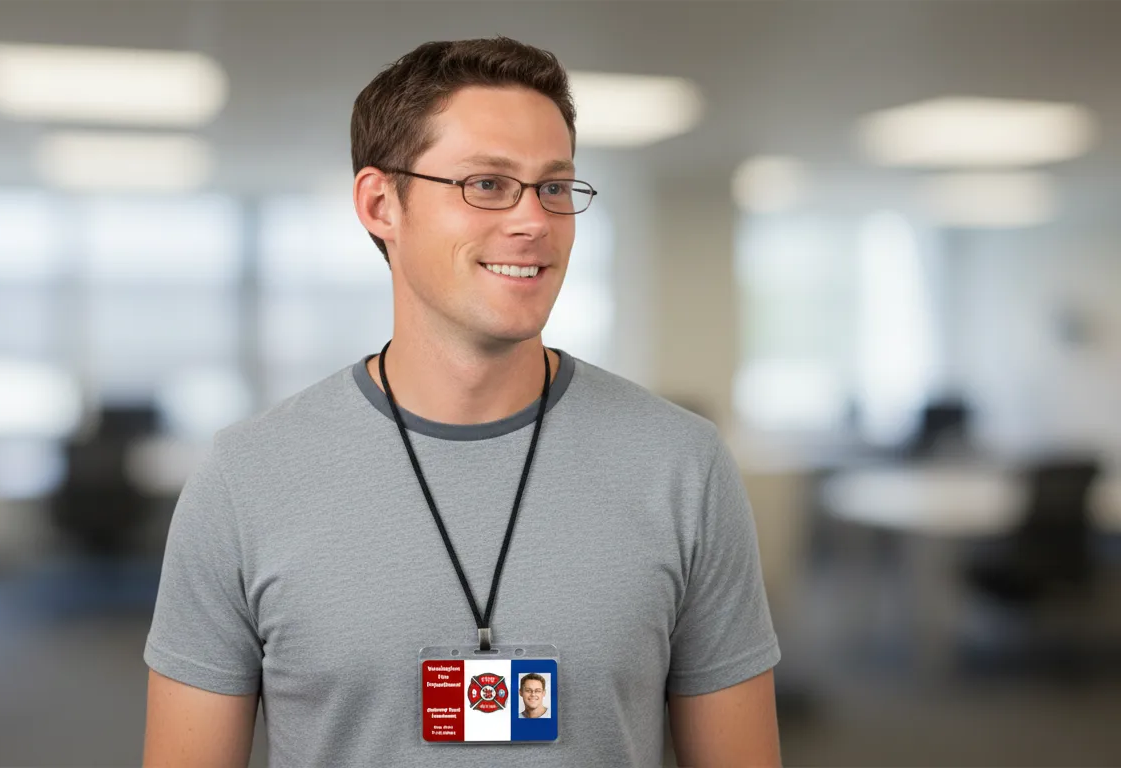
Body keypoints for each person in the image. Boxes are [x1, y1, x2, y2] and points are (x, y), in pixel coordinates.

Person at [143, 37, 781, 768]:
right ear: (381, 203)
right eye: (487, 184)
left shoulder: (683, 465)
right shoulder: (245, 478)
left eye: (553, 187)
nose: (533, 221)